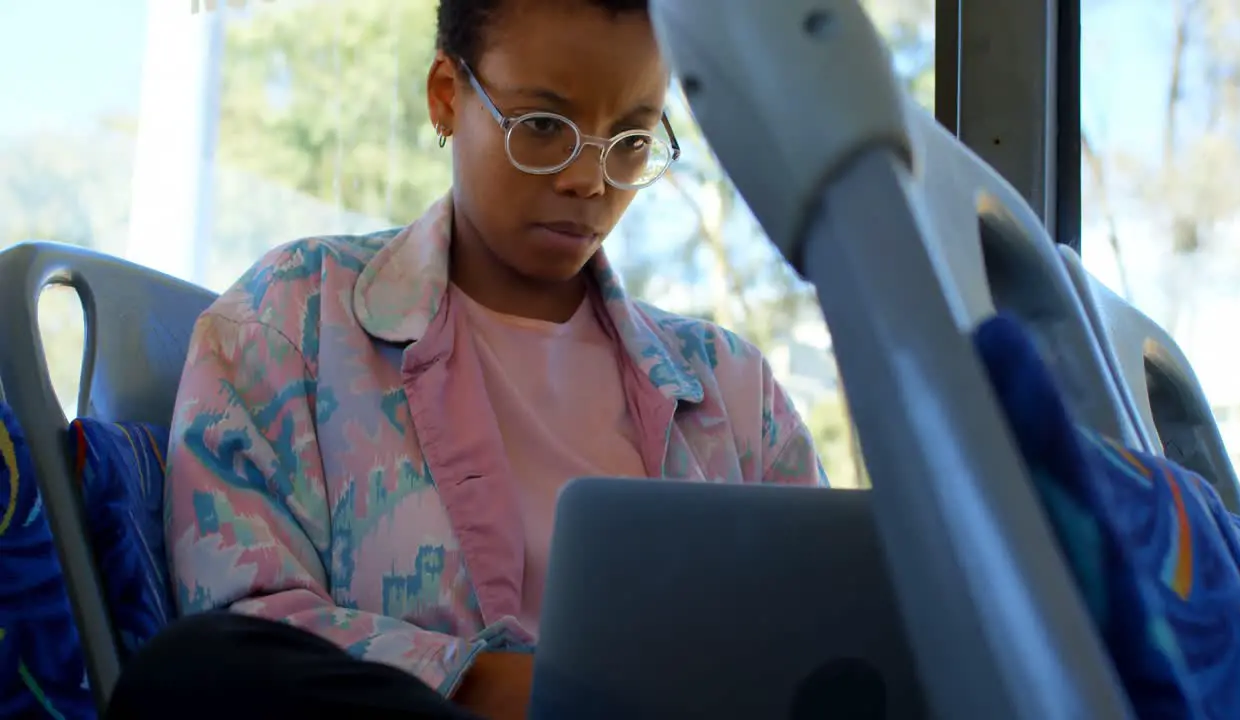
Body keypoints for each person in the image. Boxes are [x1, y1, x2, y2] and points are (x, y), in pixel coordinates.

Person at [106, 0, 827, 717]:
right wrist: (543, 696)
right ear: (447, 97)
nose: (588, 180)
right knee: (192, 672)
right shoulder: (290, 320)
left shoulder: (733, 393)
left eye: (632, 141)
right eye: (544, 127)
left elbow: (830, 639)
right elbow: (247, 628)